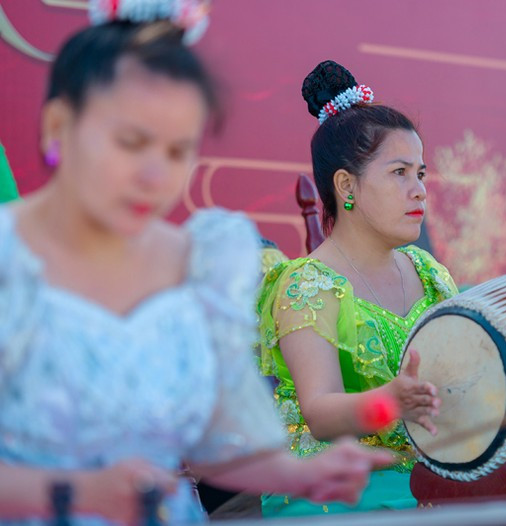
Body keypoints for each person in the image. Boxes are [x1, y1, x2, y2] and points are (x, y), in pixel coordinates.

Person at [0, 3, 391, 525]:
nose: (154, 174)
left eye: (178, 149)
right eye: (131, 141)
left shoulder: (194, 263)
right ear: (58, 126)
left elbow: (218, 443)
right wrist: (80, 491)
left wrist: (299, 475)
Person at [257, 60, 458, 516]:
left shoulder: (430, 273)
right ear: (346, 186)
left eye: (421, 174)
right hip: (339, 494)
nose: (419, 191)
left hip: (433, 484)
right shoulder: (306, 284)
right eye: (399, 173)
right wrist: (391, 400)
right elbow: (321, 413)